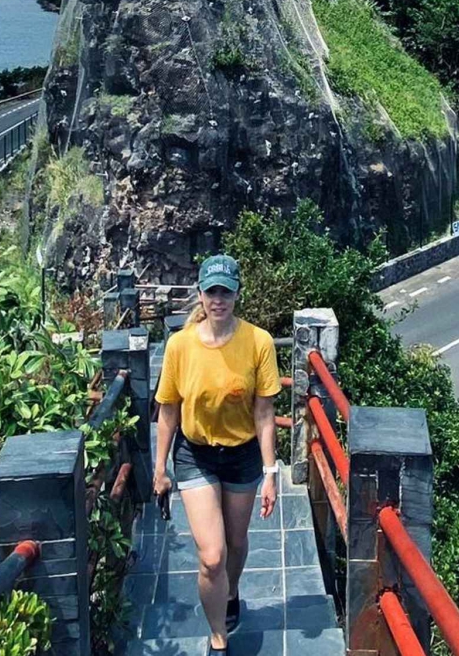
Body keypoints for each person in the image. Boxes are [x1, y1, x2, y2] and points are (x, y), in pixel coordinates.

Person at [153, 254, 281, 654]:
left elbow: (264, 412)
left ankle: (231, 591)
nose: (218, 299)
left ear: (237, 293)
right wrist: (159, 468)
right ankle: (218, 637)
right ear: (201, 295)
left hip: (242, 454)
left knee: (237, 543)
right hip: (196, 454)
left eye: (226, 291)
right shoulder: (180, 346)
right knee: (212, 555)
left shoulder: (258, 342)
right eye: (212, 291)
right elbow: (168, 409)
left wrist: (271, 471)